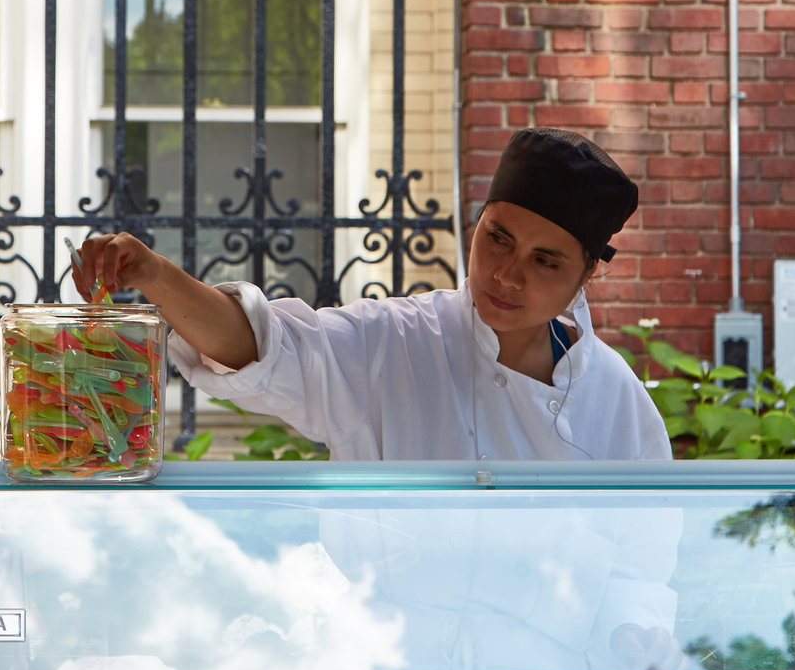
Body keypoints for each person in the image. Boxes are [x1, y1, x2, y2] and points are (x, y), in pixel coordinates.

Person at [72, 127, 671, 461]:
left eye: (545, 261)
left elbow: (641, 572)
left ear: (588, 273)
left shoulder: (616, 401)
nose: (507, 275)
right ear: (477, 223)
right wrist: (153, 275)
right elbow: (264, 350)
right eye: (498, 239)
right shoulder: (396, 342)